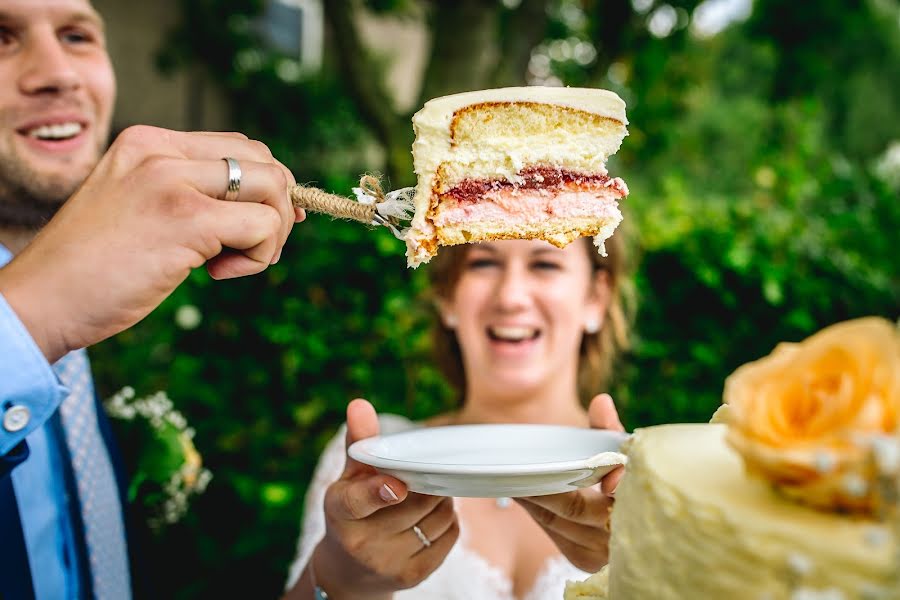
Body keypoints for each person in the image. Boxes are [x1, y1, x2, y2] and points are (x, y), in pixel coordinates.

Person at [0, 0, 304, 597]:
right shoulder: (46, 310)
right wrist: (26, 319)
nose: (59, 72)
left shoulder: (115, 298)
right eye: (2, 37)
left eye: (77, 34)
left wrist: (342, 581)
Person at [284, 232, 633, 600]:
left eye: (545, 264)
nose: (510, 297)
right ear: (446, 296)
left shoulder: (649, 479)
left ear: (596, 297)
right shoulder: (370, 466)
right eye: (483, 262)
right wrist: (342, 580)